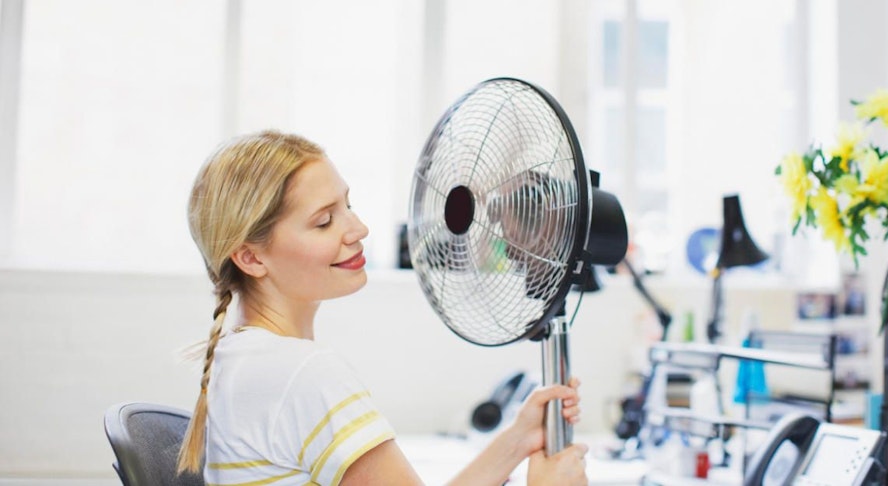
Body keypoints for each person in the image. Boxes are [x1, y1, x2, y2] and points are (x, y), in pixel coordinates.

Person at [176, 130, 589, 485]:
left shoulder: (244, 356)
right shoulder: (303, 372)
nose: (358, 230)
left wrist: (516, 441)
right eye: (324, 222)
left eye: (348, 206)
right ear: (250, 258)